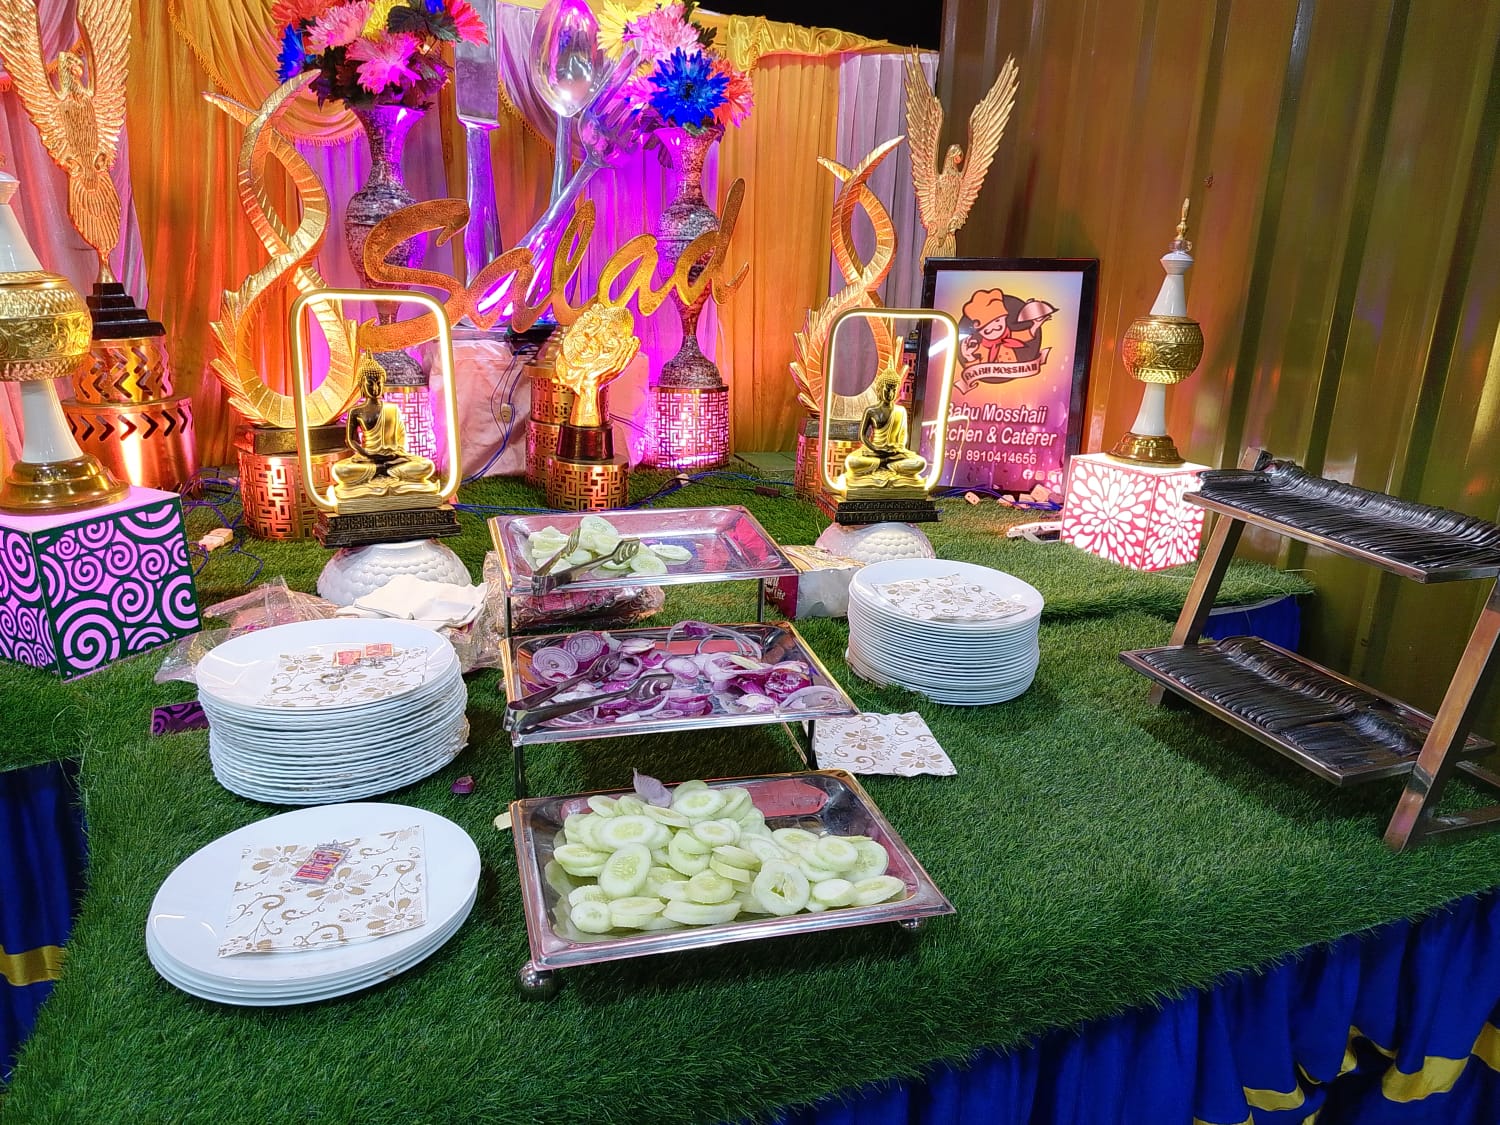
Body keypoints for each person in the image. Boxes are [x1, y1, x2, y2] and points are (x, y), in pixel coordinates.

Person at [331, 354, 440, 501]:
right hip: (368, 459)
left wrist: (395, 454)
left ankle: (380, 475)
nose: (375, 388)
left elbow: (401, 438)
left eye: (379, 383)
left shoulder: (392, 409)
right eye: (370, 383)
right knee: (341, 470)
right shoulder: (356, 412)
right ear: (362, 384)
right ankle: (387, 474)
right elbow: (351, 441)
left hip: (392, 458)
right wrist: (369, 455)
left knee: (425, 465)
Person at [843, 362, 926, 492]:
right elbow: (862, 436)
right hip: (874, 452)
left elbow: (903, 439)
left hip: (894, 453)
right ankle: (886, 464)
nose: (890, 393)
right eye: (888, 388)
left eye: (894, 389)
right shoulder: (871, 411)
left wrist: (896, 450)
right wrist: (875, 448)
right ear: (880, 388)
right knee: (852, 462)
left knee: (920, 463)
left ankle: (883, 465)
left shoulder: (901, 411)